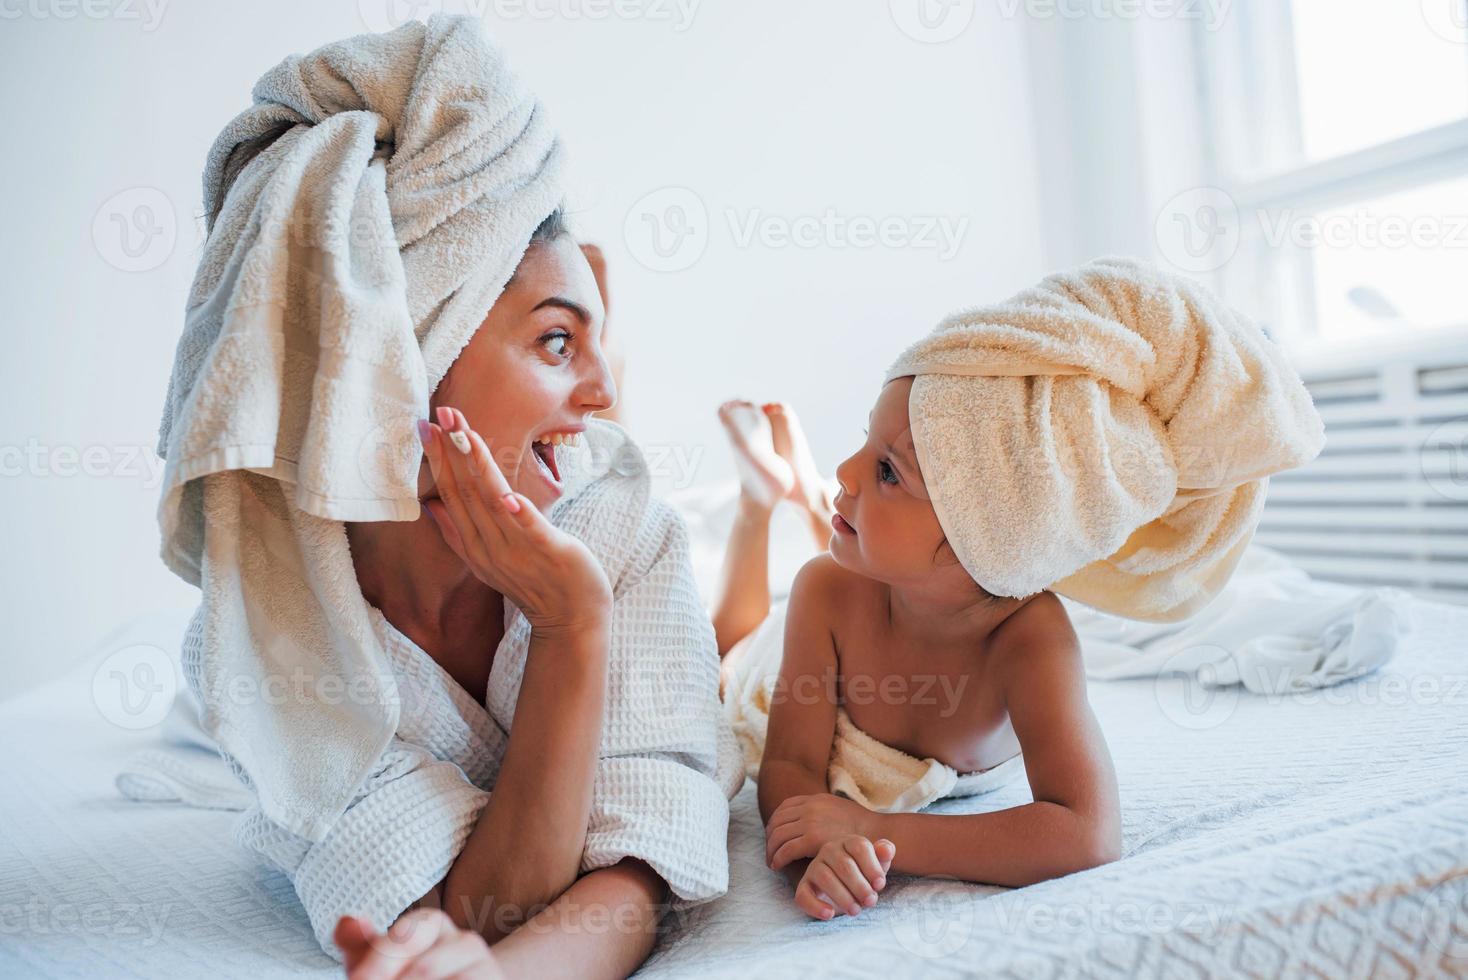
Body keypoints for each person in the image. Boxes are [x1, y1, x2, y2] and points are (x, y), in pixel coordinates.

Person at [153, 17, 738, 979]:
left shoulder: (616, 515)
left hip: (644, 606)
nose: (602, 396)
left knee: (744, 645)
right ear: (406, 359)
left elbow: (637, 867)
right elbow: (483, 907)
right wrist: (562, 633)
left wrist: (575, 622)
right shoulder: (273, 633)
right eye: (557, 342)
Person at [710, 258, 1325, 920]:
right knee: (728, 656)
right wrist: (815, 851)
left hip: (885, 574)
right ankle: (763, 503)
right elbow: (790, 768)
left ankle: (790, 496)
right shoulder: (827, 591)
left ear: (992, 543)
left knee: (831, 548)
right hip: (795, 642)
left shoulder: (1030, 640)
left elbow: (1086, 834)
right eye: (866, 440)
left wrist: (873, 835)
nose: (849, 468)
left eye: (888, 471)